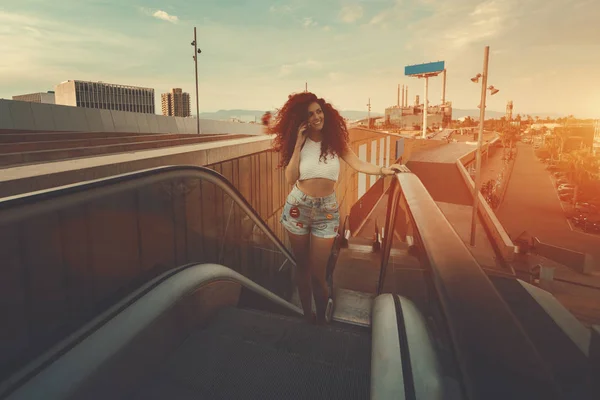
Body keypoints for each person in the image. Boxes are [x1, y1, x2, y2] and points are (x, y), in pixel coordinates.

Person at [268, 92, 402, 325]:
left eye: (319, 111)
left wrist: (383, 170)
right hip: (298, 206)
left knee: (319, 275)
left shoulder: (334, 142)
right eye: (310, 114)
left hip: (326, 212)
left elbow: (358, 163)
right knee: (302, 268)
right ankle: (307, 315)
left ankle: (321, 318)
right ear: (302, 119)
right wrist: (299, 144)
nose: (316, 117)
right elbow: (290, 178)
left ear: (325, 112)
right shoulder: (296, 143)